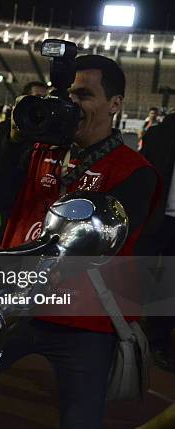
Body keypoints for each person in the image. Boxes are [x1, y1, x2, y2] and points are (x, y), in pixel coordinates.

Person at [0, 55, 159, 429]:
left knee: (81, 420)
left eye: (84, 95)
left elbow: (86, 244)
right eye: (66, 95)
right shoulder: (37, 152)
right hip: (14, 305)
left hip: (83, 320)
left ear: (115, 105)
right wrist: (14, 140)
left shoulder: (136, 172)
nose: (72, 105)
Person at [0, 81, 48, 249]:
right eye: (37, 98)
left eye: (46, 100)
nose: (42, 105)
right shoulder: (10, 131)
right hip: (13, 207)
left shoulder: (52, 134)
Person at [136, 113, 175, 372]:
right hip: (156, 217)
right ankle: (124, 335)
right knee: (137, 275)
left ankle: (158, 342)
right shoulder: (160, 133)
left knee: (170, 286)